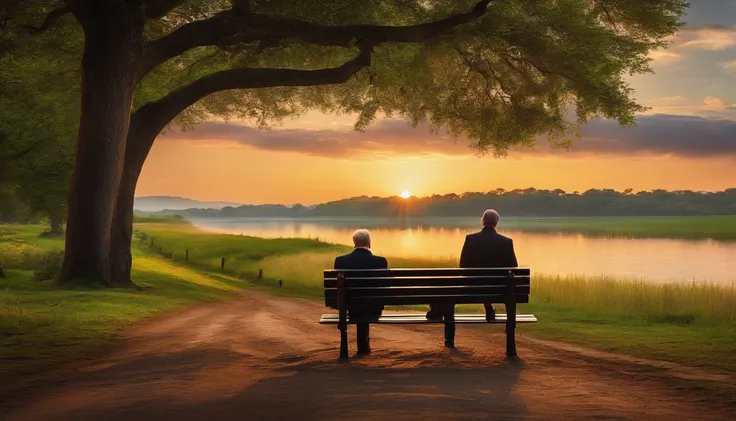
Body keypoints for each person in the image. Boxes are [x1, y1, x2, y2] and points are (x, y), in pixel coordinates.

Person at [426, 209, 518, 347]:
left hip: (473, 287)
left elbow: (463, 267)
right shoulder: (507, 242)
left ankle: (449, 339)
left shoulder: (470, 239)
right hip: (499, 290)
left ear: (482, 221)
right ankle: (508, 342)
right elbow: (514, 268)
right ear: (496, 223)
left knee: (450, 296)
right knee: (494, 287)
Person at [334, 229, 388, 355]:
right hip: (374, 307)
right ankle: (364, 346)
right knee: (367, 300)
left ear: (354, 242)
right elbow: (385, 285)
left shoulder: (341, 261)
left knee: (358, 303)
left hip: (349, 306)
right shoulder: (381, 261)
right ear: (369, 243)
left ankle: (355, 347)